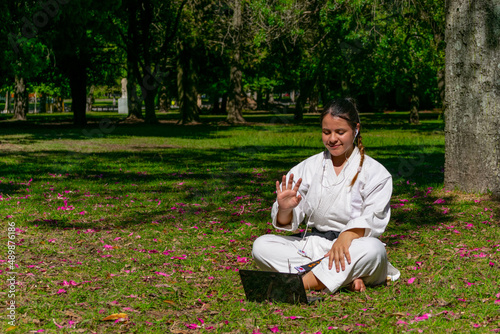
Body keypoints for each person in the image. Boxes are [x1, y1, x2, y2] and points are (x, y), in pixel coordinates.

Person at [252, 97, 400, 293]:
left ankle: (300, 285)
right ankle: (344, 279)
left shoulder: (376, 173)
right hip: (315, 248)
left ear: (356, 129)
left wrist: (346, 237)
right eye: (326, 132)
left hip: (352, 248)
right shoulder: (309, 167)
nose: (332, 139)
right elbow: (288, 221)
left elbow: (374, 218)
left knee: (374, 250)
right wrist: (285, 209)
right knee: (261, 246)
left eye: (340, 132)